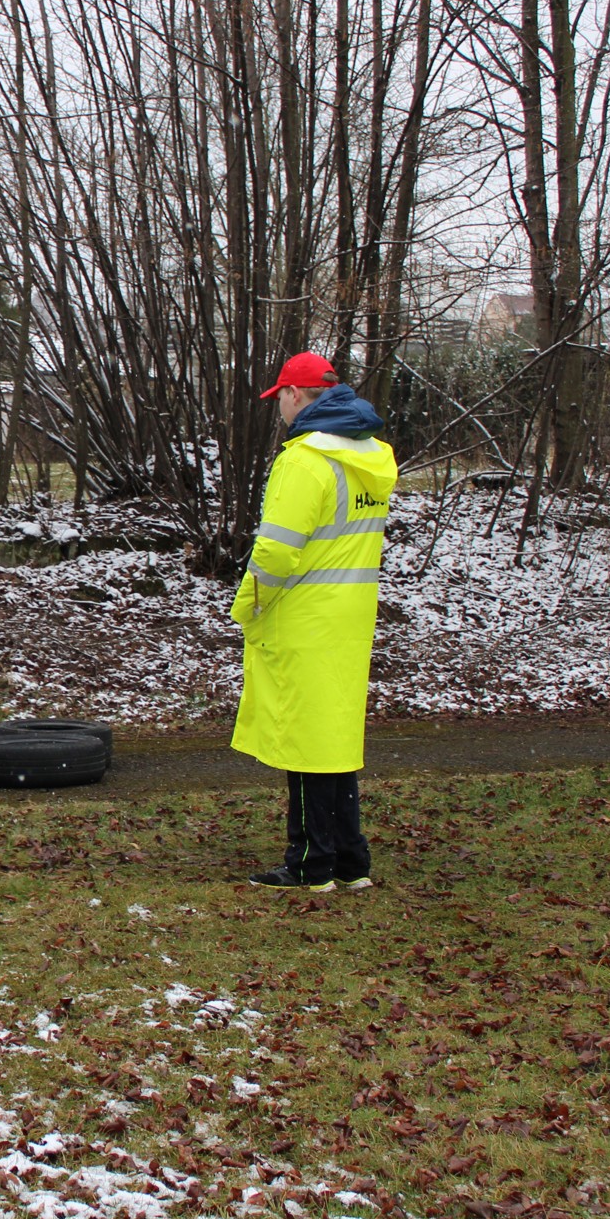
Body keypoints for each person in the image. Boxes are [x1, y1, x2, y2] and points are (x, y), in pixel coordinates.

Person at [231, 351, 398, 892]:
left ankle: (310, 863)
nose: (278, 406)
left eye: (279, 395)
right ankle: (351, 859)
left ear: (296, 396)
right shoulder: (375, 459)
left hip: (302, 616)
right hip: (350, 618)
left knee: (305, 741)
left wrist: (248, 606)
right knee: (332, 739)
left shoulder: (304, 461)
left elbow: (277, 552)